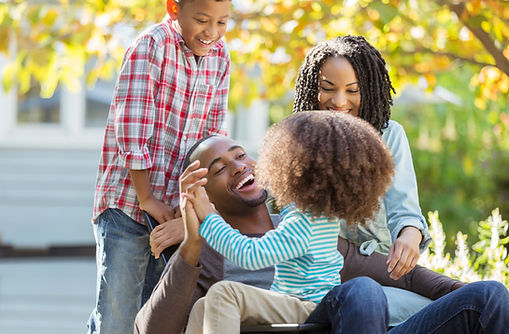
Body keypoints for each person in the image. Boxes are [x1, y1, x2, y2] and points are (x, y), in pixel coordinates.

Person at [135, 134, 469, 334]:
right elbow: (154, 330)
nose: (238, 166)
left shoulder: (301, 226)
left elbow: (398, 273)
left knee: (487, 297)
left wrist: (459, 291)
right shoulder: (206, 252)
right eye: (219, 169)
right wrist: (193, 242)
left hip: (322, 320)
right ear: (203, 195)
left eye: (240, 156)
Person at [88, 0, 231, 333]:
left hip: (173, 212)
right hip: (127, 205)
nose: (211, 32)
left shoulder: (220, 56)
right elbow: (132, 127)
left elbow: (213, 137)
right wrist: (147, 197)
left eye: (222, 22)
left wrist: (191, 208)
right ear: (173, 8)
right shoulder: (152, 46)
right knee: (117, 315)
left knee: (156, 315)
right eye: (202, 20)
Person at [183, 111, 395, 333]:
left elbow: (250, 255)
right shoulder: (314, 214)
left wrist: (208, 218)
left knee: (223, 293)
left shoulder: (305, 221)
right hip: (297, 303)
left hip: (307, 308)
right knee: (203, 306)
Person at [294, 35, 429, 280]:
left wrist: (410, 233)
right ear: (312, 88)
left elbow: (405, 211)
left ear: (369, 90)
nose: (339, 101)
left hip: (381, 268)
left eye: (352, 91)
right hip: (319, 275)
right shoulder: (297, 140)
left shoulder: (389, 136)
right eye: (327, 89)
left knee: (462, 297)